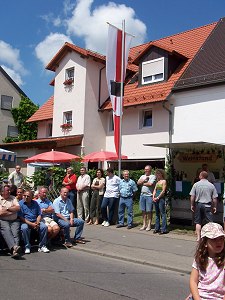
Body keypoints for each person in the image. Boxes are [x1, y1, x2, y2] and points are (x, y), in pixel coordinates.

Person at [187, 222, 225, 300]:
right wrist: (196, 297)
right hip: (200, 296)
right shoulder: (200, 259)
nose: (219, 242)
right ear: (205, 243)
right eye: (214, 239)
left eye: (221, 238)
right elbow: (193, 281)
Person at [18, 189, 50, 254]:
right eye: (25, 195)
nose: (26, 197)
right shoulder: (20, 203)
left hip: (35, 221)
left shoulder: (35, 203)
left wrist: (37, 222)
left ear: (32, 197)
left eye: (28, 196)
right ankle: (27, 246)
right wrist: (31, 224)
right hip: (25, 222)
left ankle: (42, 246)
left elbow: (39, 214)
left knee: (44, 227)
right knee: (24, 228)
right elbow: (21, 217)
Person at [190, 171, 218, 241]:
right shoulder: (211, 185)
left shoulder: (196, 184)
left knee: (198, 222)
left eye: (199, 175)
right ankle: (210, 237)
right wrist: (215, 206)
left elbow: (192, 196)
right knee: (210, 222)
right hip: (207, 205)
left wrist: (192, 205)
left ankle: (199, 237)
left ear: (201, 176)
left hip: (199, 204)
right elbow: (214, 198)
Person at [0, 185, 21, 258]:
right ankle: (15, 248)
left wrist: (7, 208)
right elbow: (1, 213)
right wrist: (13, 211)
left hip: (14, 220)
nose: (9, 191)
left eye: (9, 190)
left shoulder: (13, 198)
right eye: (7, 190)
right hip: (3, 220)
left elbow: (18, 208)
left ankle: (14, 250)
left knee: (16, 233)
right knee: (7, 230)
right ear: (2, 192)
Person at [137, 165, 156, 231]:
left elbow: (151, 184)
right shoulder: (142, 176)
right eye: (145, 169)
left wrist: (142, 183)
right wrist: (144, 181)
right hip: (142, 195)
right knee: (143, 211)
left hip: (149, 196)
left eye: (147, 169)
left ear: (150, 170)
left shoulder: (153, 176)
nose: (146, 170)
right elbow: (138, 182)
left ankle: (149, 225)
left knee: (149, 211)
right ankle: (144, 224)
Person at [152, 169, 168, 234]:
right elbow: (155, 190)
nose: (157, 175)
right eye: (156, 174)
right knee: (157, 214)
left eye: (158, 174)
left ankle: (164, 229)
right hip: (156, 198)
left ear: (161, 174)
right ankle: (157, 228)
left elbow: (163, 191)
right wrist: (153, 197)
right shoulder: (157, 182)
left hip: (160, 198)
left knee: (162, 213)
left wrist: (158, 197)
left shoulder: (164, 181)